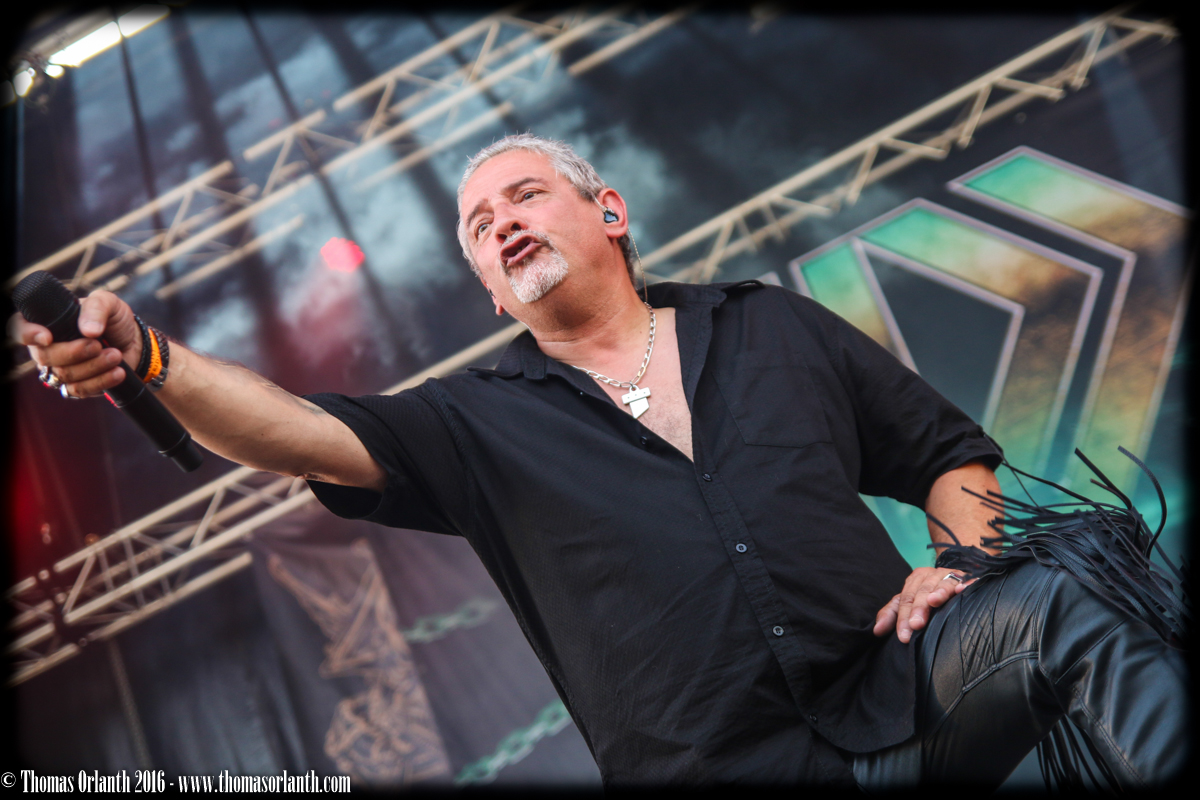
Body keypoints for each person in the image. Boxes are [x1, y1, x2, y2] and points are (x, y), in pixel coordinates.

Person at [13, 134, 1184, 787]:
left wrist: (962, 566)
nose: (502, 223)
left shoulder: (767, 324)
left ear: (609, 210)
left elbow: (947, 453)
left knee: (1065, 591)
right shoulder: (474, 419)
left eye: (523, 195)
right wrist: (148, 357)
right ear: (487, 285)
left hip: (897, 703)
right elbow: (292, 428)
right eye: (479, 227)